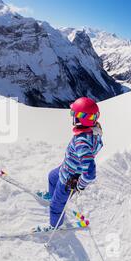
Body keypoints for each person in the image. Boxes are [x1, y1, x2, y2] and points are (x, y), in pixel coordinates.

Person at [38, 97, 103, 229]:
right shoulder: (94, 131)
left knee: (56, 206)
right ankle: (52, 196)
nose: (72, 117)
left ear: (80, 118)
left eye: (74, 114)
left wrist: (79, 185)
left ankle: (54, 225)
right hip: (66, 168)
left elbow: (90, 173)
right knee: (52, 176)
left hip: (69, 179)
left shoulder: (81, 142)